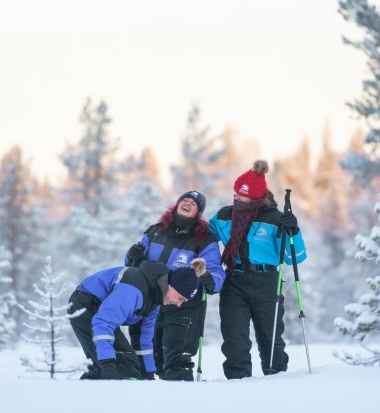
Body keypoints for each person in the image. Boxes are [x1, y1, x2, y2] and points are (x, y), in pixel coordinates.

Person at [208, 160, 307, 379]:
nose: (235, 197)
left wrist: (294, 231)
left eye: (240, 194)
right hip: (234, 280)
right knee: (234, 339)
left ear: (255, 197)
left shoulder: (275, 219)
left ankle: (276, 378)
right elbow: (203, 238)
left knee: (270, 338)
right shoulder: (225, 216)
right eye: (235, 193)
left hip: (267, 282)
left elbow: (295, 257)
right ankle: (237, 381)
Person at [125, 190, 225, 381]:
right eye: (184, 199)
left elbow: (215, 271)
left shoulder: (204, 239)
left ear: (198, 213)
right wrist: (131, 255)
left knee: (176, 356)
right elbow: (131, 265)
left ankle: (184, 401)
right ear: (177, 204)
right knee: (152, 359)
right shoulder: (155, 231)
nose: (187, 203)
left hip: (184, 305)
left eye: (193, 203)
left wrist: (211, 280)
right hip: (153, 302)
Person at [68, 257, 206, 380]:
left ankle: (90, 390)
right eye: (180, 298)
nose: (179, 304)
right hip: (85, 305)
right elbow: (103, 322)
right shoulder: (134, 289)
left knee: (129, 367)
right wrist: (107, 363)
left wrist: (147, 372)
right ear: (171, 286)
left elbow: (143, 338)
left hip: (100, 312)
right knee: (121, 367)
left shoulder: (155, 300)